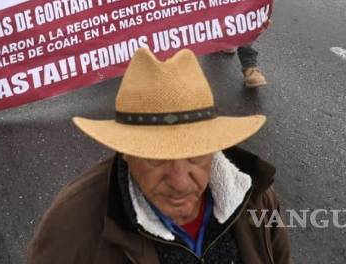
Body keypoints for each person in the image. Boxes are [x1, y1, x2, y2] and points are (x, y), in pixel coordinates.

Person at [27, 48, 291, 264]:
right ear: (126, 153)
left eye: (196, 156)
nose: (180, 182)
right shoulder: (74, 223)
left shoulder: (257, 198)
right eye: (156, 158)